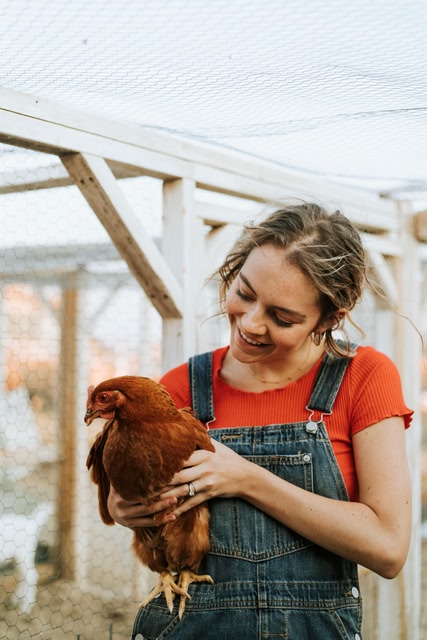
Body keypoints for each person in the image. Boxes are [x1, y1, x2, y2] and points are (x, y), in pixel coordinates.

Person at [108, 201, 413, 640]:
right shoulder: (180, 387)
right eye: (245, 293)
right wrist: (126, 507)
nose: (250, 323)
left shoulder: (364, 377)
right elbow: (130, 503)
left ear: (330, 318)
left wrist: (246, 478)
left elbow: (388, 549)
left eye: (282, 317)